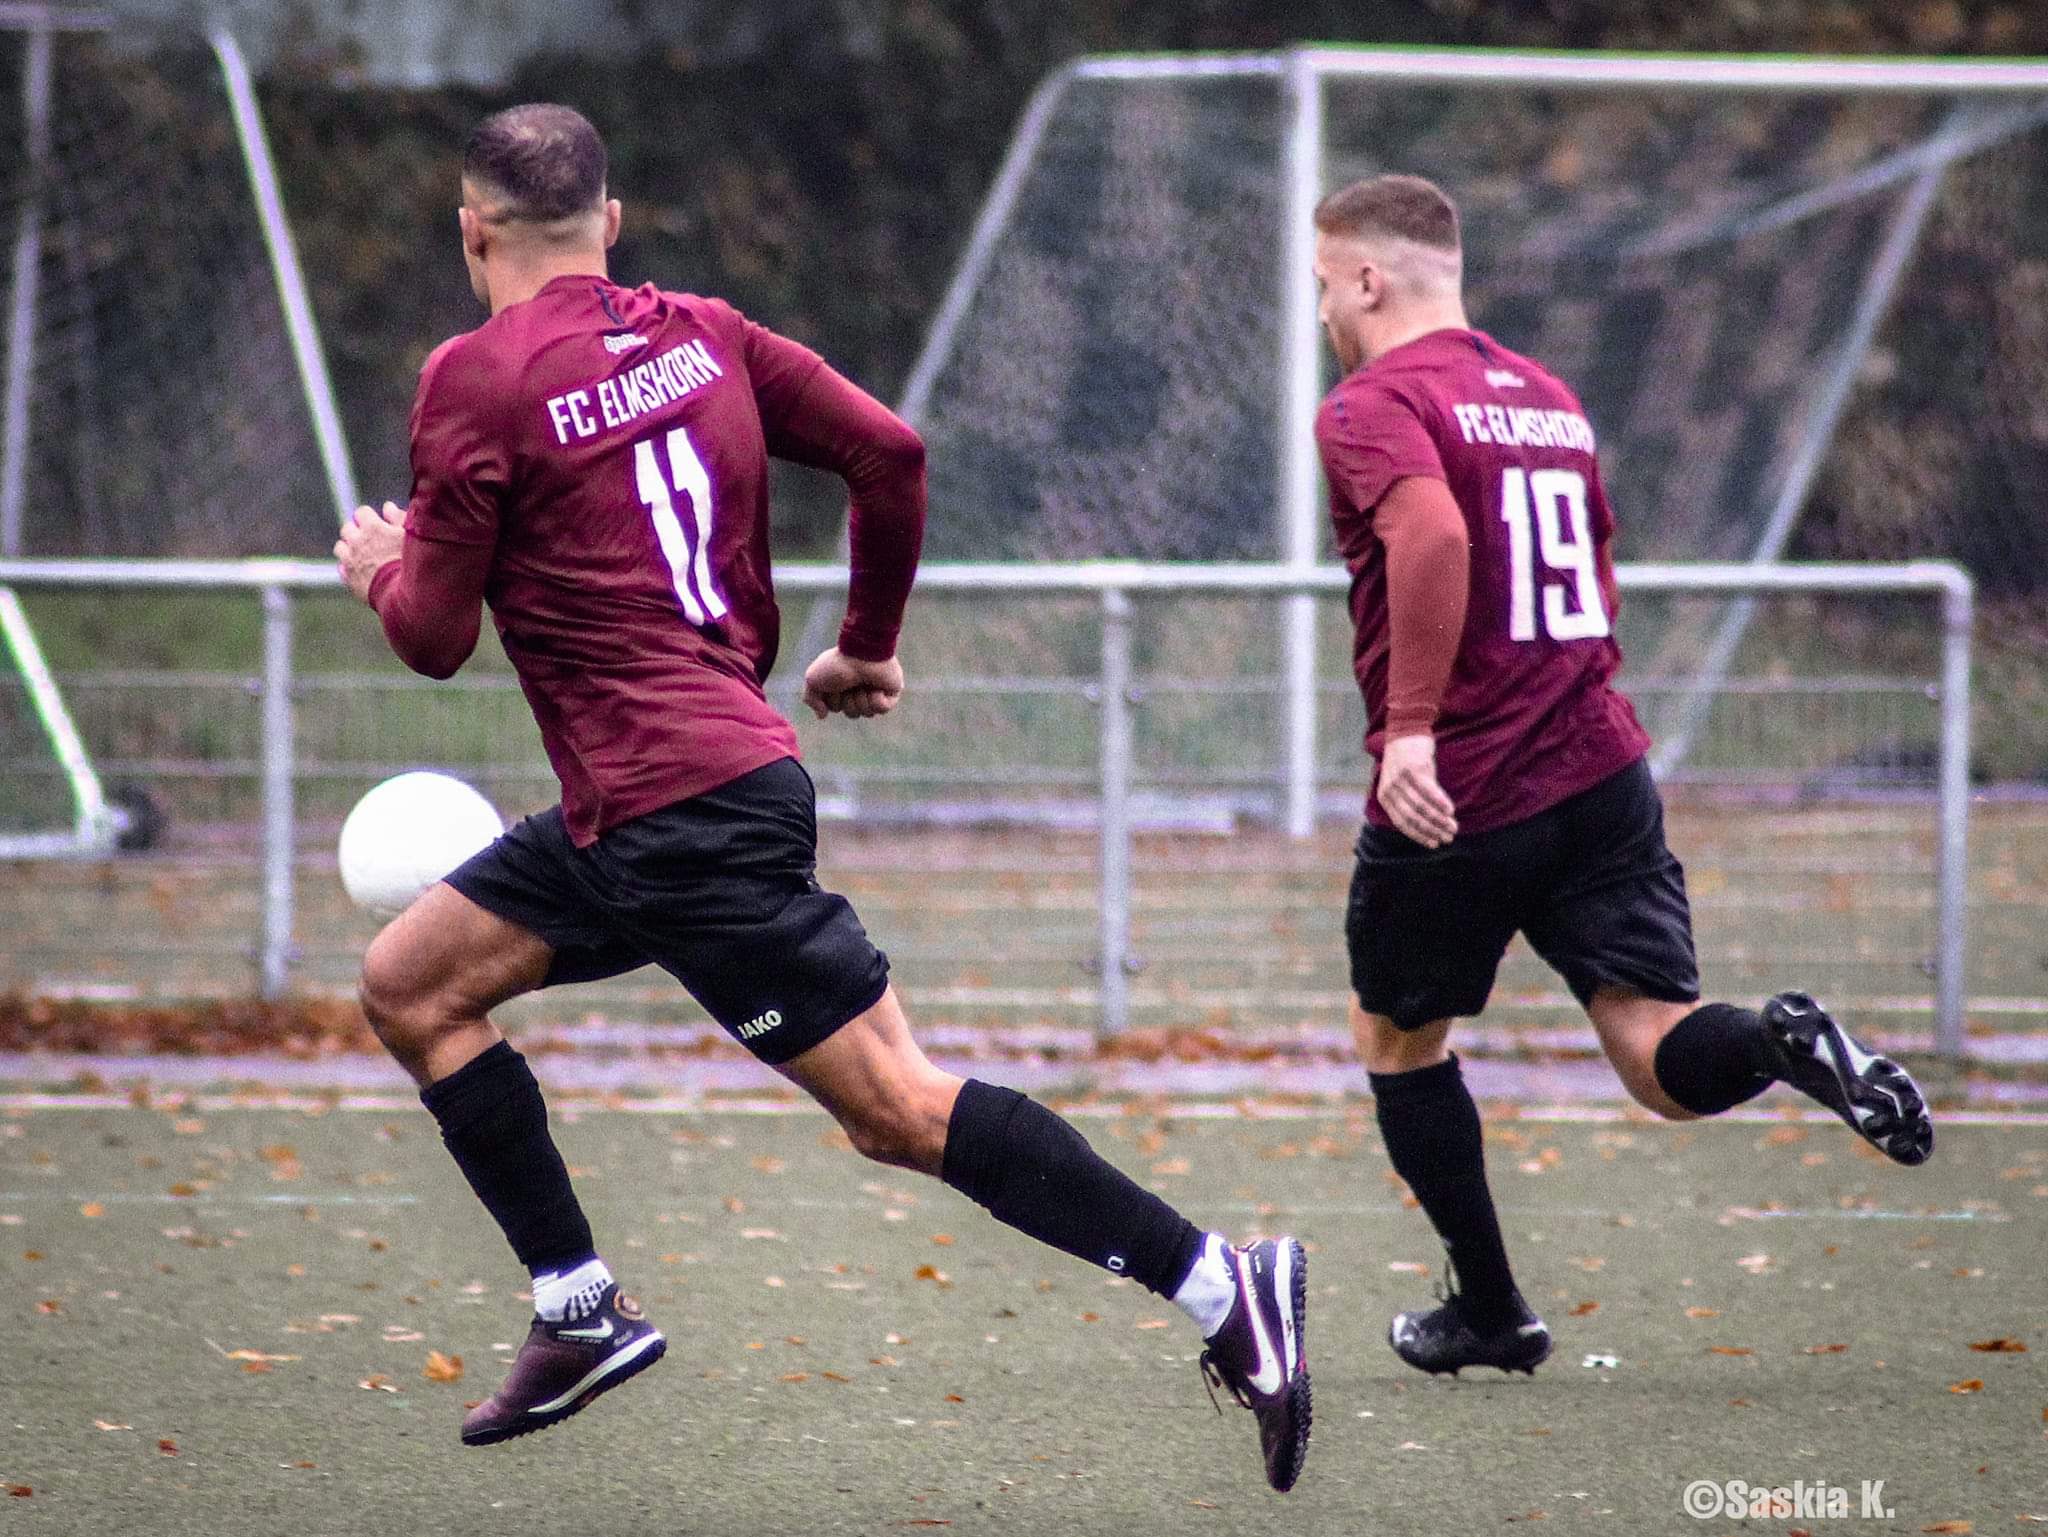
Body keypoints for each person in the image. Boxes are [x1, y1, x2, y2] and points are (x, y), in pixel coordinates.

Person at [332, 103, 1310, 1489]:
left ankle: (1221, 1284)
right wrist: (867, 643)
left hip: (681, 818)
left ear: (469, 231)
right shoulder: (705, 334)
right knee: (412, 982)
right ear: (612, 224)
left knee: (896, 1110)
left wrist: (383, 567)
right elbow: (890, 454)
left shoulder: (473, 377)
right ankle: (577, 1305)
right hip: (666, 801)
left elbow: (432, 638)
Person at [1310, 174, 1935, 1378]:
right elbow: (1592, 564)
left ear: (1368, 279)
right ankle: (1777, 1041)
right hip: (1599, 765)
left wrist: (1410, 731)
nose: (1323, 310)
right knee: (1658, 1056)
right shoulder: (1545, 398)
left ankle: (1490, 1308)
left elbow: (1431, 535)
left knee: (1395, 1042)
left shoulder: (1371, 401)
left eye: (1325, 285)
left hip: (1464, 785)